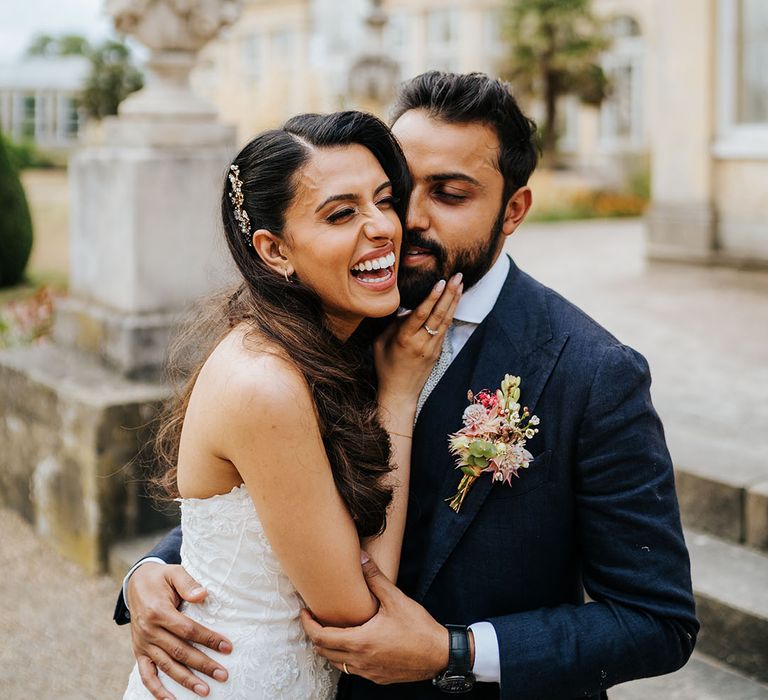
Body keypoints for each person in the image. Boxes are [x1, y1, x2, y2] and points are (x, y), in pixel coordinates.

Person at [116, 72, 698, 700]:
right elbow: (266, 492)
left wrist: (457, 651)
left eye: (449, 194)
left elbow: (656, 621)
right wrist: (150, 572)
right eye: (399, 189)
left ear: (514, 211)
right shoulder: (338, 315)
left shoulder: (592, 372)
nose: (404, 221)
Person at [120, 109, 463, 699]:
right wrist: (400, 394)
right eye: (341, 212)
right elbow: (355, 612)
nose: (383, 226)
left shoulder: (320, 341)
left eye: (384, 200)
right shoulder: (265, 383)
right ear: (275, 251)